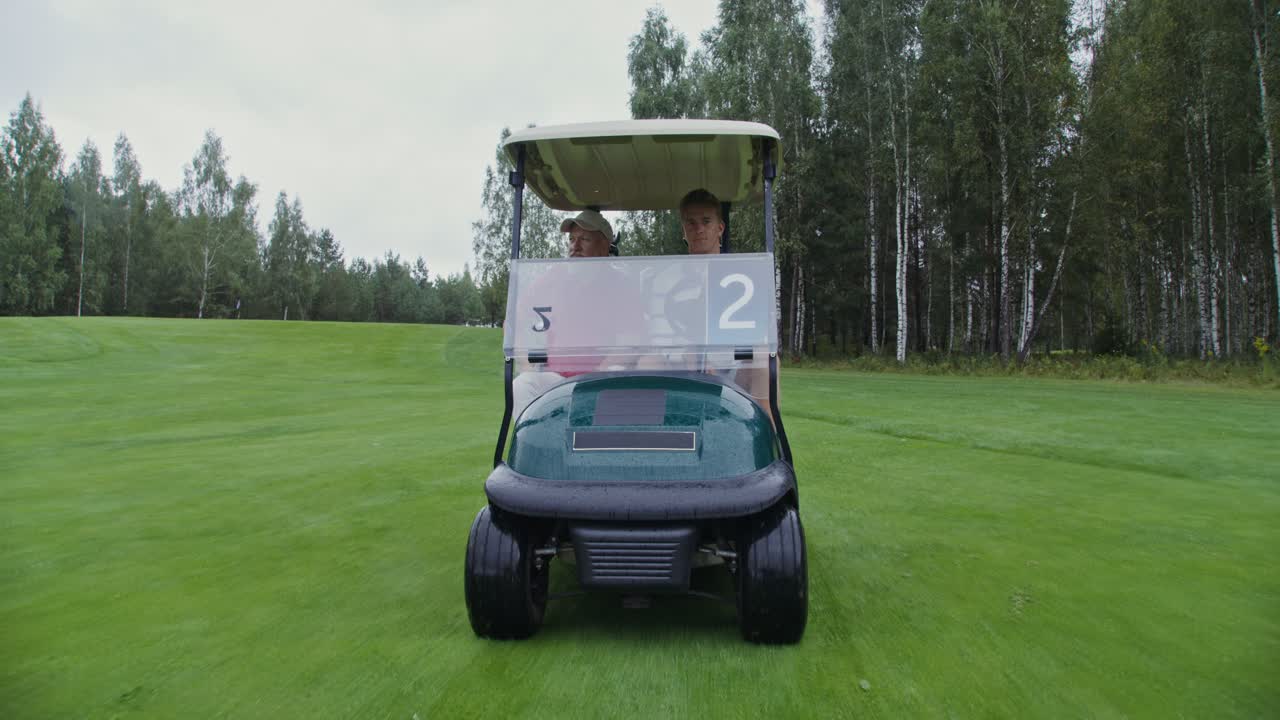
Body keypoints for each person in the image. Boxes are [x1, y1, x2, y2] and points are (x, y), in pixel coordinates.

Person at [679, 188, 724, 255]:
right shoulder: (662, 265)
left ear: (720, 228)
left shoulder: (739, 265)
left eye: (706, 222)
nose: (699, 230)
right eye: (692, 223)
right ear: (683, 231)